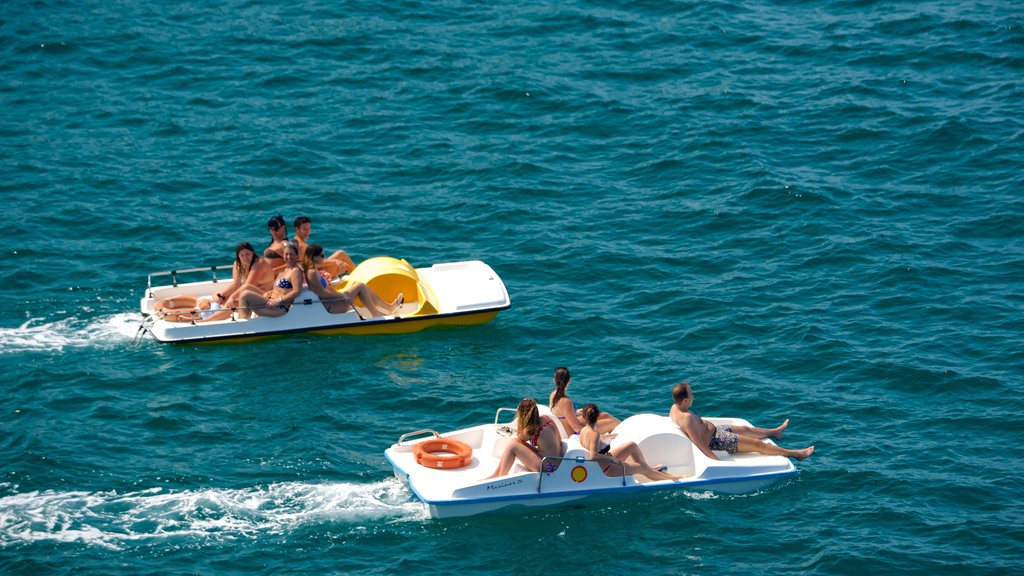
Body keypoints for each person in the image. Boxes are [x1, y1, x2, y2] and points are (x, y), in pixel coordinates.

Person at [670, 382, 814, 461]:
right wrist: (716, 462)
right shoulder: (687, 418)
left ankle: (775, 432)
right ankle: (796, 454)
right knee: (758, 445)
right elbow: (699, 443)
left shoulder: (674, 408)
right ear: (685, 400)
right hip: (718, 440)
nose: (694, 396)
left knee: (745, 429)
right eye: (691, 394)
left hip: (716, 431)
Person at [579, 403, 682, 481]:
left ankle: (648, 469)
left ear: (584, 417)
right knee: (642, 468)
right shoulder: (594, 434)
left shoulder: (583, 430)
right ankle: (673, 478)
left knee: (631, 445)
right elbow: (593, 456)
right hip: (607, 469)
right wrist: (611, 459)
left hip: (603, 463)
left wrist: (608, 438)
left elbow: (593, 445)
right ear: (598, 416)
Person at [299, 243, 403, 317]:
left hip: (333, 302)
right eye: (322, 255)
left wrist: (340, 294)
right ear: (314, 257)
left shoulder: (313, 270)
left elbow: (326, 289)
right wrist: (342, 295)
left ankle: (387, 308)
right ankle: (377, 312)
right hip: (332, 307)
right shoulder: (312, 272)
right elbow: (322, 294)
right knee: (360, 286)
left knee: (359, 286)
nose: (324, 258)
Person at [484, 398, 565, 479]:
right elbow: (559, 439)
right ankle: (496, 475)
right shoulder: (547, 418)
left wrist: (522, 424)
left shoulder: (532, 429)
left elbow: (519, 438)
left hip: (549, 467)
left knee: (513, 446)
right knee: (514, 442)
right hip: (558, 462)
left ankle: (500, 477)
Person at [236, 240, 304, 318]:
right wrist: (270, 292)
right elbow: (282, 288)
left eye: (291, 254)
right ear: (283, 256)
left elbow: (296, 291)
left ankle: (242, 323)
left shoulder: (296, 271)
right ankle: (244, 319)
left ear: (297, 256)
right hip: (271, 300)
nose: (288, 257)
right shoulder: (287, 269)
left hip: (279, 307)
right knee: (246, 290)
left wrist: (278, 301)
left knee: (246, 295)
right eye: (286, 254)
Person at [548, 367, 620, 436]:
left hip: (566, 427)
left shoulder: (553, 395)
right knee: (611, 422)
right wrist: (590, 432)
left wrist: (574, 411)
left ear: (554, 380)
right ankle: (626, 431)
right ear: (569, 381)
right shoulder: (565, 401)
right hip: (571, 432)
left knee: (605, 415)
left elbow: (560, 412)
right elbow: (577, 428)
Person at [212, 241, 275, 309]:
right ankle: (215, 309)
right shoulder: (238, 263)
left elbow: (247, 286)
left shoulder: (259, 264)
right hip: (247, 293)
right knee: (215, 294)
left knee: (230, 303)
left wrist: (232, 298)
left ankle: (209, 317)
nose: (245, 258)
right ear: (238, 256)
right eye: (242, 255)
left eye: (247, 254)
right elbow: (236, 285)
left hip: (263, 295)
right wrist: (221, 296)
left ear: (252, 253)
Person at [293, 215, 357, 276]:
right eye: (304, 229)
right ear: (297, 229)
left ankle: (351, 272)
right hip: (316, 276)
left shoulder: (295, 242)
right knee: (340, 254)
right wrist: (335, 261)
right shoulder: (302, 245)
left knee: (341, 263)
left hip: (312, 273)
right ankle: (356, 275)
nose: (308, 232)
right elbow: (316, 264)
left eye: (309, 229)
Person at [153, 295, 229, 323]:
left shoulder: (224, 309)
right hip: (206, 312)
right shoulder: (220, 306)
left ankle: (201, 319)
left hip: (206, 313)